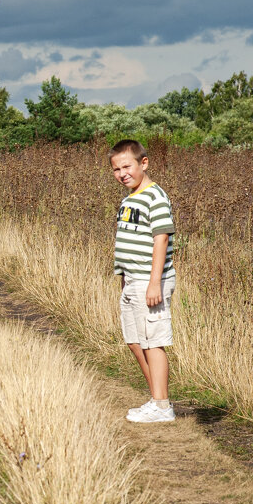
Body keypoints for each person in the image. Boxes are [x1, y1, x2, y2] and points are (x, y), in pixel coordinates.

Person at [109, 139, 177, 423]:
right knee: (135, 341)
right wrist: (123, 276)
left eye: (127, 166)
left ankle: (162, 408)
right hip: (131, 279)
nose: (122, 173)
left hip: (151, 280)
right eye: (116, 169)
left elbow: (160, 239)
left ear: (143, 163)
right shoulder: (128, 199)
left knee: (152, 341)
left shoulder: (155, 197)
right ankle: (157, 399)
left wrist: (153, 283)